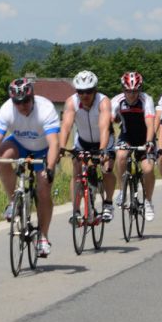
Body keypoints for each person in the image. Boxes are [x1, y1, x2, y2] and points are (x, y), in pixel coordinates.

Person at [0, 78, 61, 258]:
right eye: (18, 102)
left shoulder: (46, 109)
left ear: (32, 97)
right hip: (20, 143)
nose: (22, 106)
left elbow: (54, 144)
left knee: (43, 189)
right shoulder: (6, 109)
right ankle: (14, 201)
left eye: (26, 101)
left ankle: (43, 237)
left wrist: (50, 169)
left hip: (43, 148)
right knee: (3, 158)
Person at [59, 70, 116, 222]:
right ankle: (76, 211)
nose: (84, 95)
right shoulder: (72, 102)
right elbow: (66, 126)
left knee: (106, 168)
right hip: (83, 141)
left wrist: (102, 150)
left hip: (104, 140)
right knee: (77, 171)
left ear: (95, 90)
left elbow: (104, 127)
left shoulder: (103, 101)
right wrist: (61, 147)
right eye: (80, 92)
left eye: (88, 91)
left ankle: (109, 203)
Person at [111, 71, 157, 221]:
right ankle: (122, 189)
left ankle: (148, 202)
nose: (131, 94)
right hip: (127, 136)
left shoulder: (146, 100)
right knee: (121, 155)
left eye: (135, 91)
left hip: (145, 138)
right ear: (123, 90)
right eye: (128, 91)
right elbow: (109, 121)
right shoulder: (117, 100)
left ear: (140, 89)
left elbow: (150, 124)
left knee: (148, 169)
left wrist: (149, 142)